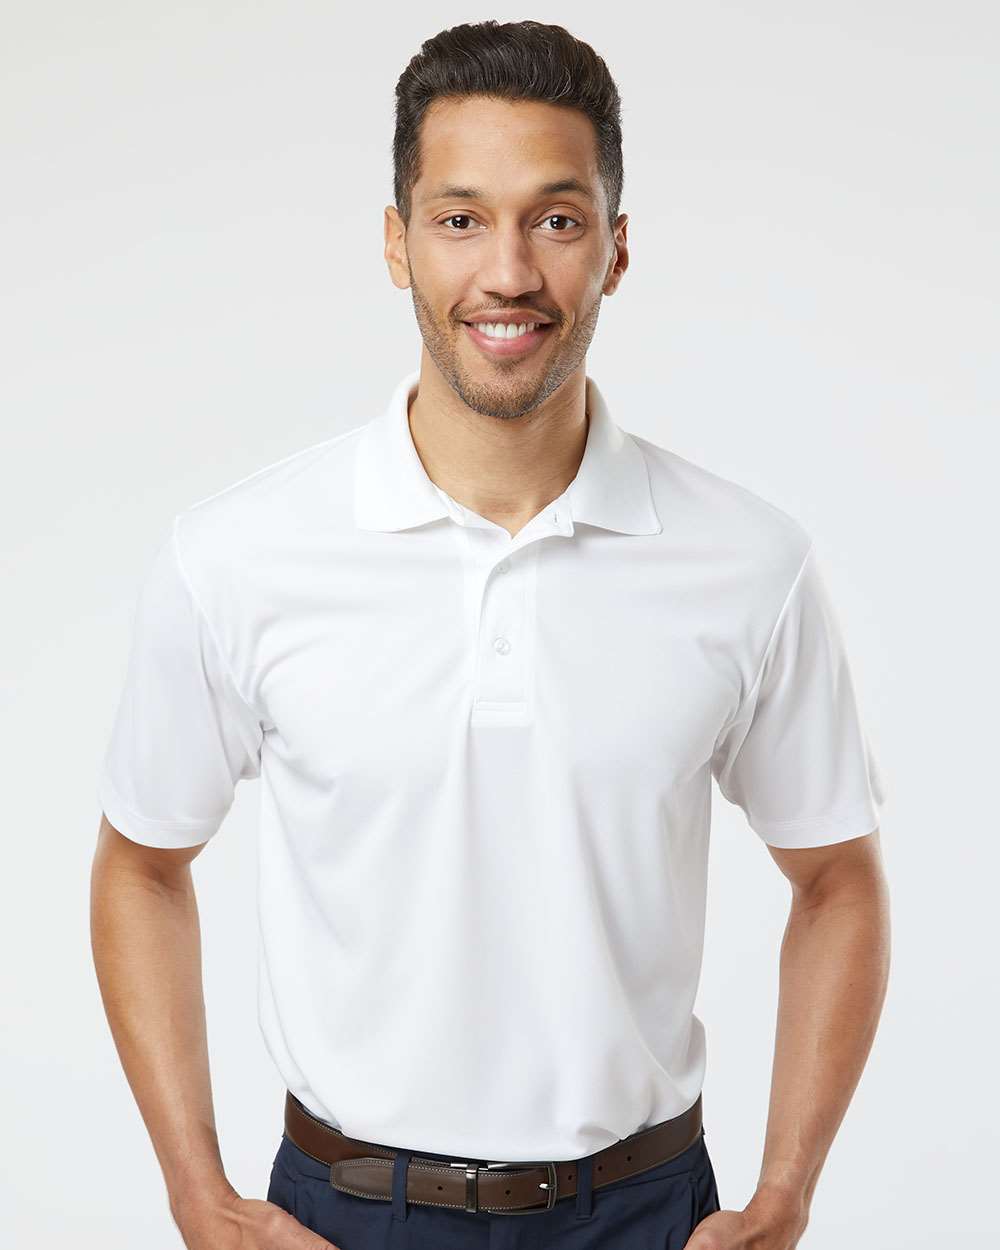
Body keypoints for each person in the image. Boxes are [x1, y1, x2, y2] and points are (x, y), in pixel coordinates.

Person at [90, 19, 891, 1250]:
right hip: (344, 1213)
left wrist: (783, 1194)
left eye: (555, 220)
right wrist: (197, 1193)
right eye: (460, 218)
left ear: (616, 248)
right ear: (396, 241)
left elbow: (836, 876)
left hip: (643, 1210)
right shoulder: (238, 555)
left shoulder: (748, 563)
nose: (507, 272)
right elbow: (140, 861)